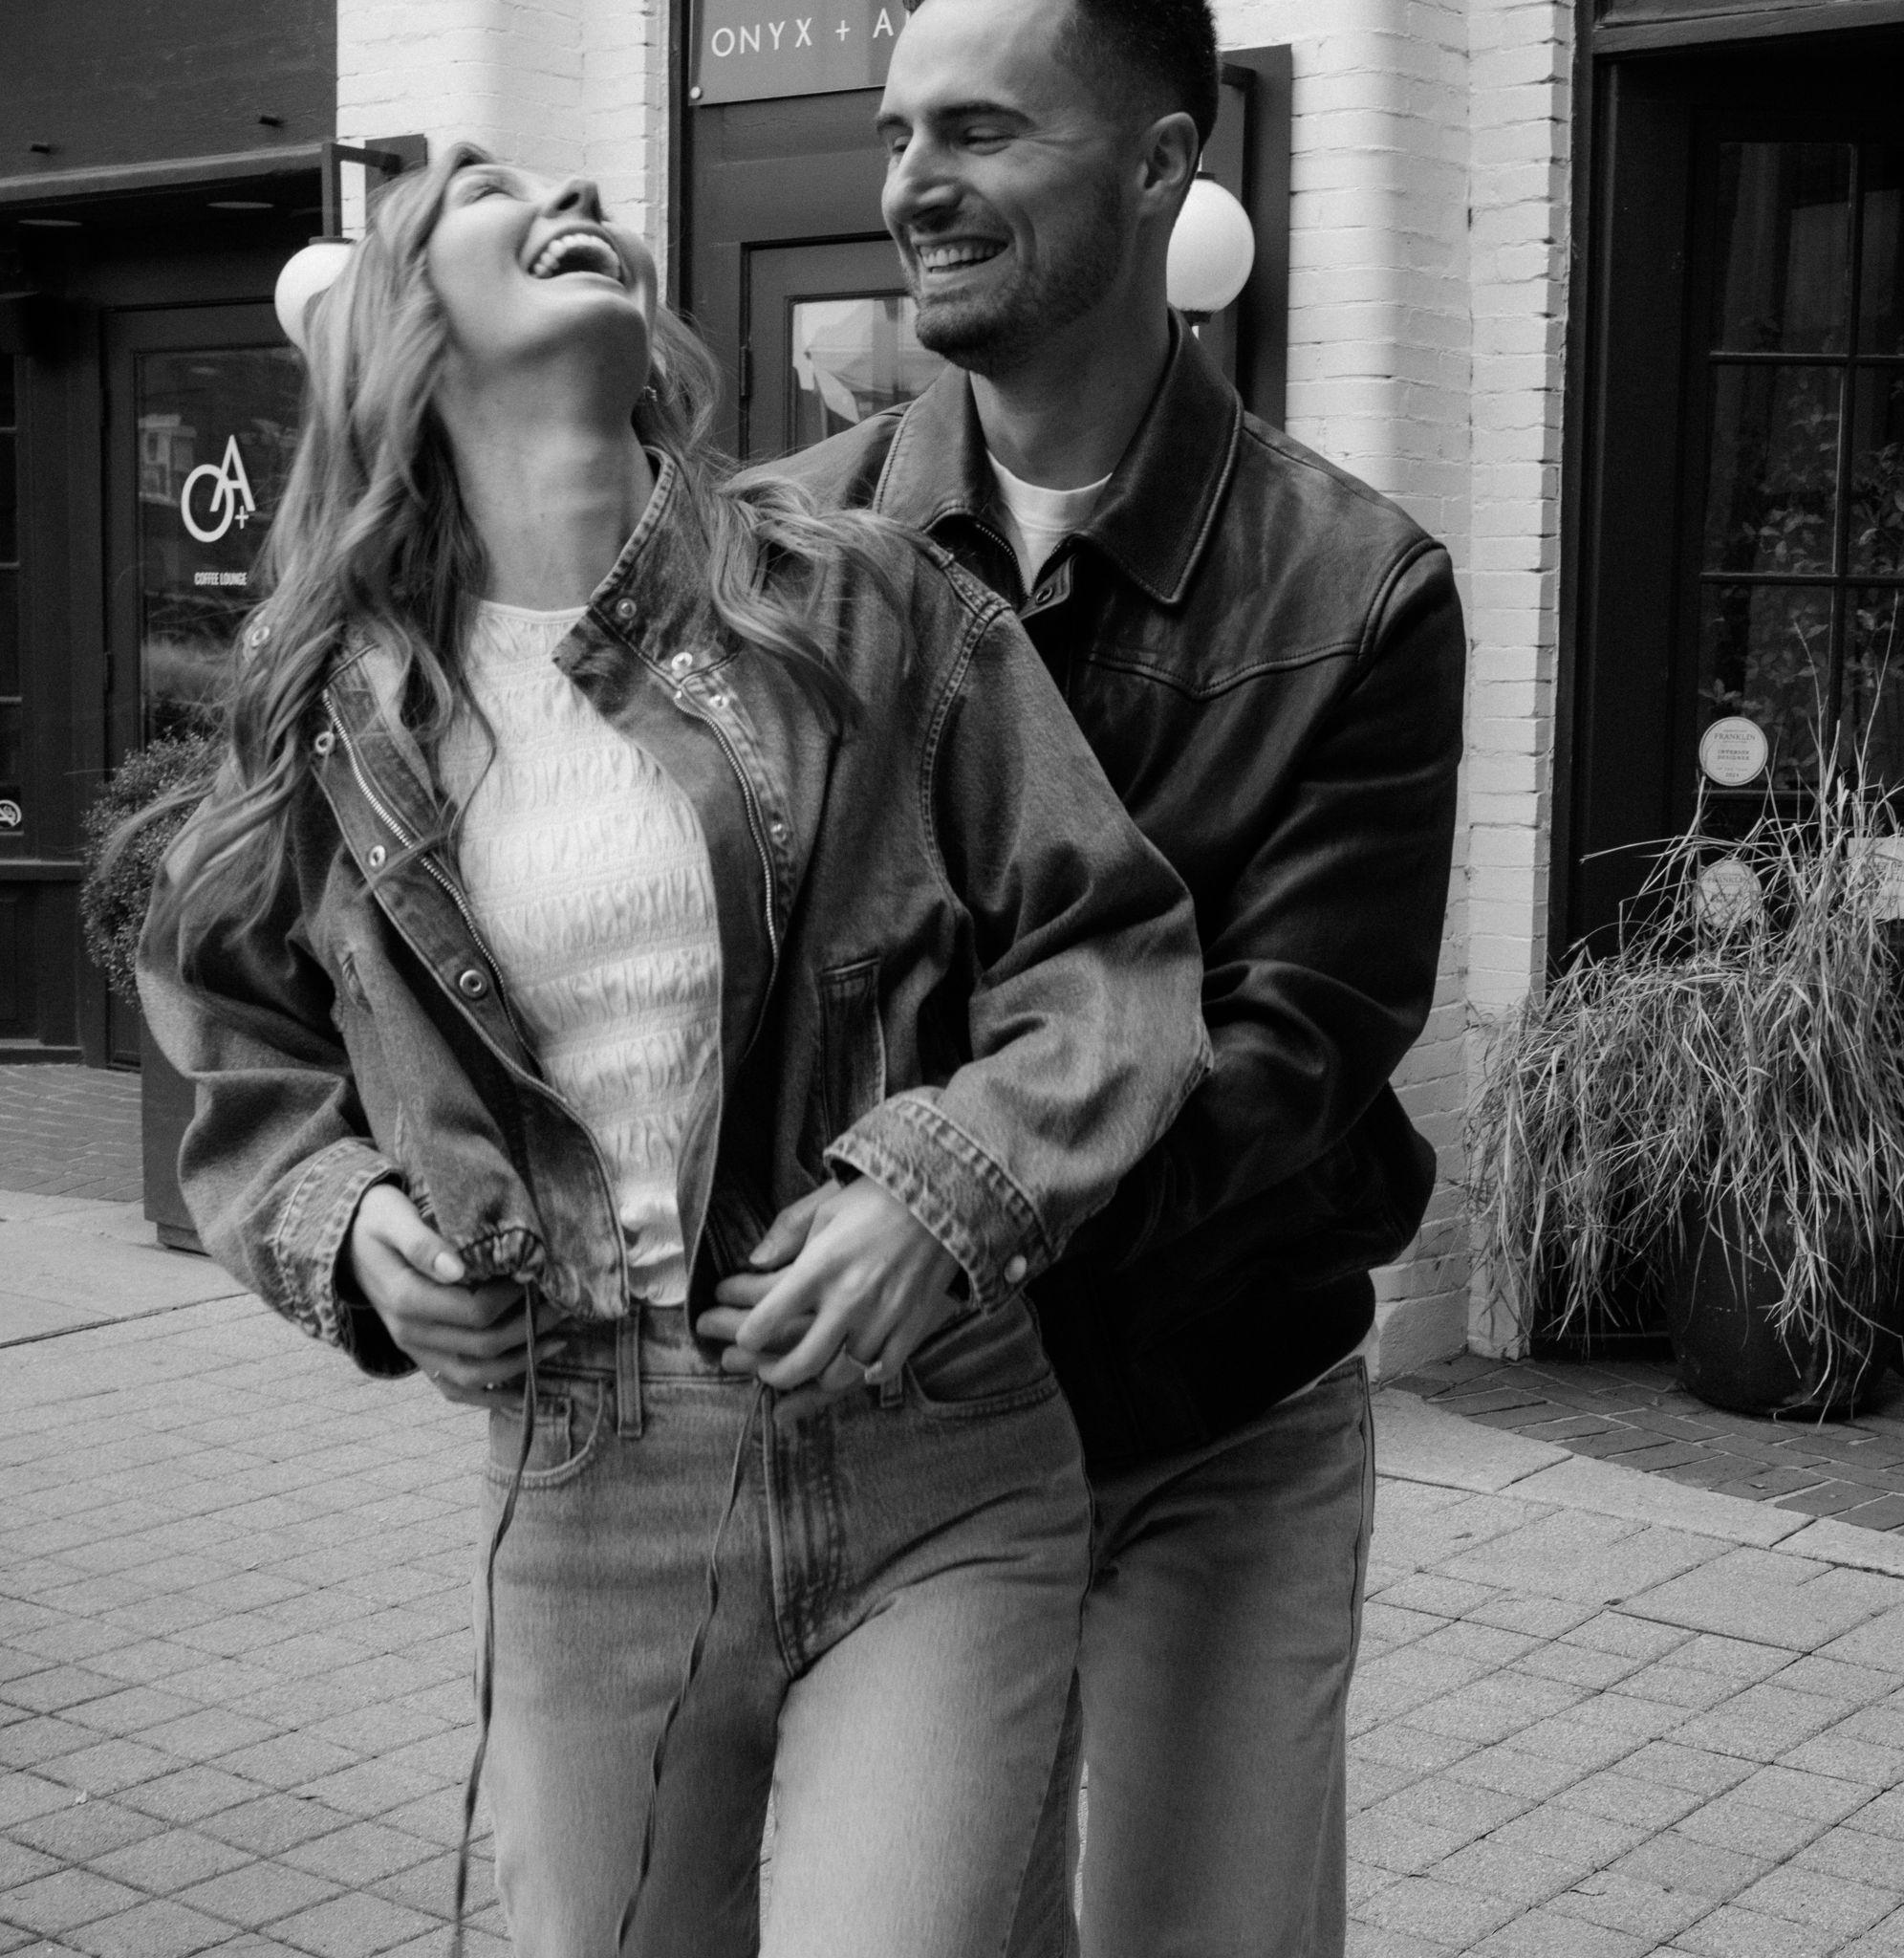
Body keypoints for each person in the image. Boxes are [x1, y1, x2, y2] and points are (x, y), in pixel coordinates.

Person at [134, 145, 1210, 1958]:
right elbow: (235, 1039)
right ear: (402, 318)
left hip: (931, 1446)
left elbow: (1112, 952)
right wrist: (348, 1225)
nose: (562, 185)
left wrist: (940, 1191)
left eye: (565, 179)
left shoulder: (864, 603)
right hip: (586, 1481)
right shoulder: (335, 710)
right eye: (484, 185)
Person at [769, 2, 1468, 1952]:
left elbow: (1289, 1053)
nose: (914, 183)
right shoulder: (785, 545)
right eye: (898, 132)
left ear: (1162, 163)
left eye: (981, 131)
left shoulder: (1357, 587)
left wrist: (964, 1204)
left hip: (1212, 1412)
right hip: (899, 1425)